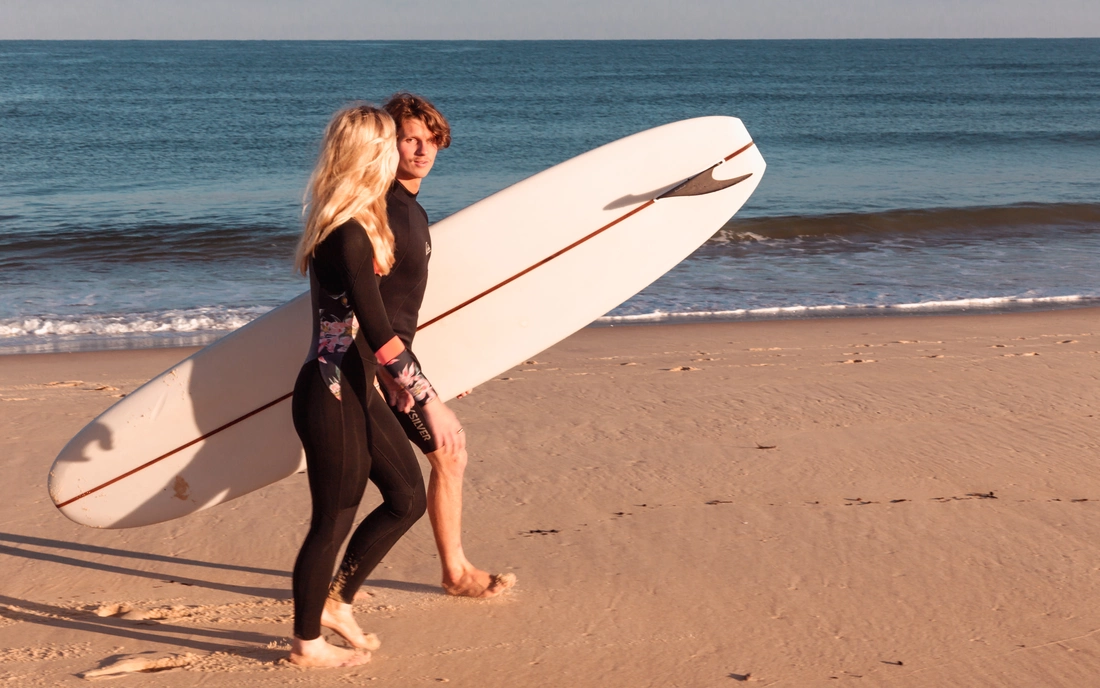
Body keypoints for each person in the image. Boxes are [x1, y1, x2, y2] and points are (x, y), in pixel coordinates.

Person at [288, 104, 463, 668]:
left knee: (406, 497)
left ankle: (336, 604)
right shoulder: (348, 235)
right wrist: (429, 401)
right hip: (331, 390)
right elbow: (380, 329)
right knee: (332, 518)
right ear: (369, 153)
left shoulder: (365, 224)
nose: (403, 151)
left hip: (356, 386)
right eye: (392, 141)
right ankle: (306, 642)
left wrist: (395, 382)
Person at [374, 92, 516, 598]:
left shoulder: (410, 210)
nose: (422, 150)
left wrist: (444, 371)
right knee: (448, 454)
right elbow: (368, 303)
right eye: (409, 139)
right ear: (386, 144)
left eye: (430, 139)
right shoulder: (386, 209)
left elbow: (404, 303)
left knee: (415, 468)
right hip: (382, 364)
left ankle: (340, 579)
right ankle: (454, 572)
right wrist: (397, 375)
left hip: (394, 359)